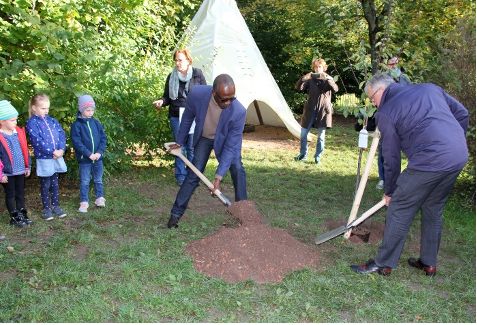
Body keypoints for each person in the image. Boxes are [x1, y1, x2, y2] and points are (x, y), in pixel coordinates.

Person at [350, 73, 469, 277]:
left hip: (430, 161)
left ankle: (383, 263)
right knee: (433, 208)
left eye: (372, 98)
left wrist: (390, 191)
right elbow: (463, 114)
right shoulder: (429, 88)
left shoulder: (386, 113)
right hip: (458, 156)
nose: (374, 103)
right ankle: (428, 263)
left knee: (399, 208)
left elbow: (391, 156)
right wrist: (453, 141)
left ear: (382, 91)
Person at [167, 74, 247, 229]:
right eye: (224, 99)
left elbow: (231, 147)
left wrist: (218, 176)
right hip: (204, 138)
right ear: (214, 94)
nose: (228, 102)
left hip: (225, 143)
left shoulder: (239, 111)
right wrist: (180, 142)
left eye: (232, 98)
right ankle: (175, 215)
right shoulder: (197, 94)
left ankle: (244, 214)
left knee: (237, 168)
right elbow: (188, 118)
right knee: (193, 174)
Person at [153, 49, 207, 186]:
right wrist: (161, 101)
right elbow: (167, 97)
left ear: (188, 60)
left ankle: (193, 175)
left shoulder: (197, 74)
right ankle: (180, 176)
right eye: (176, 60)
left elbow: (206, 94)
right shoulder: (172, 76)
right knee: (179, 146)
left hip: (193, 116)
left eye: (180, 60)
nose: (178, 63)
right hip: (177, 116)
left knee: (192, 147)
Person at [26, 93, 68, 221]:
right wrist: (52, 151)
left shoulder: (52, 121)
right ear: (34, 108)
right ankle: (46, 209)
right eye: (43, 108)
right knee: (45, 184)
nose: (46, 111)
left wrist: (61, 149)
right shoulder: (32, 123)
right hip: (45, 158)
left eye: (47, 108)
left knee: (55, 182)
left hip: (57, 156)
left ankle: (55, 206)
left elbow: (61, 134)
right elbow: (36, 141)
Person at [294, 58, 338, 164]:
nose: (318, 69)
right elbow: (299, 88)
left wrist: (327, 79)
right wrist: (304, 78)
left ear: (323, 67)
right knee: (304, 133)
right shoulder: (310, 80)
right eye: (316, 67)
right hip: (310, 110)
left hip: (323, 111)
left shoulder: (328, 79)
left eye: (320, 67)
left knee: (321, 137)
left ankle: (318, 156)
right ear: (314, 68)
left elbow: (335, 89)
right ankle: (303, 154)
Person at [70, 95, 107, 213]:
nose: (91, 113)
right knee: (85, 180)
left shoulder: (96, 123)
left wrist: (99, 152)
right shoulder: (76, 125)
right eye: (88, 110)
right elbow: (77, 142)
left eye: (92, 110)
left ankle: (99, 197)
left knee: (98, 179)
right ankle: (84, 200)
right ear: (81, 110)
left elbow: (103, 138)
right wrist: (87, 154)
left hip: (98, 158)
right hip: (85, 159)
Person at [0, 100, 33, 227]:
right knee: (11, 194)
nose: (16, 122)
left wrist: (27, 166)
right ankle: (13, 216)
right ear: (2, 121)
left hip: (20, 169)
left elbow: (25, 150)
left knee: (20, 192)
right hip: (8, 172)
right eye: (12, 120)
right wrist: (1, 173)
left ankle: (22, 213)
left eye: (16, 119)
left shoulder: (18, 133)